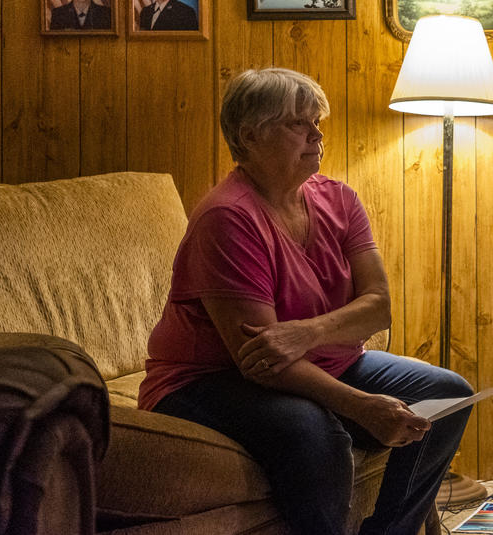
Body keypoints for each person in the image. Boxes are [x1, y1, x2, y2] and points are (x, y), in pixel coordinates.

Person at [138, 67, 472, 535]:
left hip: (321, 360)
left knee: (448, 392)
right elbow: (262, 362)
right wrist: (362, 405)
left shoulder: (340, 199)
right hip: (208, 380)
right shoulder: (228, 218)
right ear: (250, 135)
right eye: (299, 123)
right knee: (316, 434)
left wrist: (307, 332)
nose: (317, 135)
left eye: (317, 122)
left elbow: (378, 306)